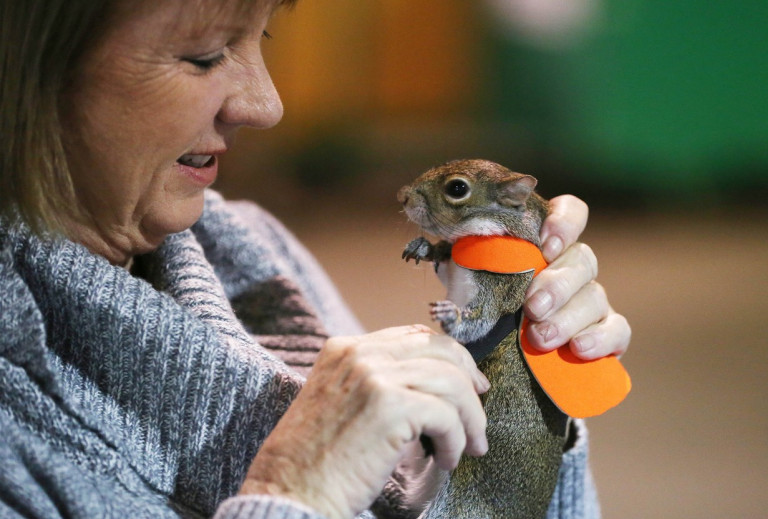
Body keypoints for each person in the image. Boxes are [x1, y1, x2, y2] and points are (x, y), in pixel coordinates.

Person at [0, 0, 631, 518]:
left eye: (264, 34)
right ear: (25, 66)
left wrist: (534, 408)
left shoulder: (256, 252)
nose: (265, 105)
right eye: (202, 55)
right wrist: (293, 497)